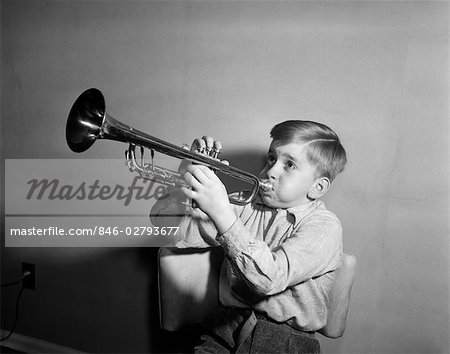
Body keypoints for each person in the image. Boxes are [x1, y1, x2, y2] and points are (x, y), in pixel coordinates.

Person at [151, 120, 347, 353]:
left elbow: (268, 279)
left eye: (290, 165)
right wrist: (186, 177)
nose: (271, 170)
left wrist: (222, 213)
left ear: (317, 187)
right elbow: (167, 226)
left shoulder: (325, 226)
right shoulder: (243, 204)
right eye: (272, 158)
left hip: (286, 341)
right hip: (223, 329)